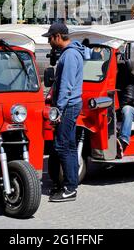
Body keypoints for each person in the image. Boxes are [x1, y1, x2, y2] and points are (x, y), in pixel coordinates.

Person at [42, 22, 84, 203]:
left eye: (50, 38)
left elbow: (66, 86)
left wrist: (58, 109)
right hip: (72, 104)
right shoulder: (72, 53)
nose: (49, 42)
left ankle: (69, 188)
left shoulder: (69, 56)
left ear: (58, 36)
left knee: (62, 146)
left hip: (68, 105)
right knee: (70, 145)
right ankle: (70, 184)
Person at [115, 63, 134, 158]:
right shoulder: (117, 79)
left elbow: (128, 98)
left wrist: (115, 110)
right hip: (121, 112)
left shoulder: (130, 80)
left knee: (126, 109)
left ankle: (123, 140)